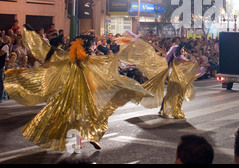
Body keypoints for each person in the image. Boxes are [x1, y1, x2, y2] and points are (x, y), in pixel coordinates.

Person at [4, 32, 154, 151]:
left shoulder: (80, 58)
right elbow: (102, 61)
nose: (92, 47)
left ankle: (89, 138)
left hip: (84, 91)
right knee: (77, 117)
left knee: (86, 115)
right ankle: (81, 140)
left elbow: (102, 61)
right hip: (75, 92)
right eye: (90, 45)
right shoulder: (79, 58)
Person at [0, 35, 11, 102]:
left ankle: (1, 97)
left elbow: (1, 53)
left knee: (1, 82)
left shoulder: (5, 46)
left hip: (1, 66)